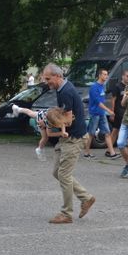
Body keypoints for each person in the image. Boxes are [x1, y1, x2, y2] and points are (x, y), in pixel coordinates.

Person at [43, 63, 95, 224]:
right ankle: (86, 198)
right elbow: (65, 117)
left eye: (48, 78)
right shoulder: (63, 89)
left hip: (74, 139)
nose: (46, 81)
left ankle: (66, 214)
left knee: (64, 175)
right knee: (57, 173)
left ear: (57, 76)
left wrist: (48, 121)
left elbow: (67, 120)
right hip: (68, 137)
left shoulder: (65, 92)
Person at [83, 69, 120, 159]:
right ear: (100, 75)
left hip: (101, 113)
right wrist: (109, 111)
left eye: (107, 74)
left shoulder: (102, 86)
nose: (106, 76)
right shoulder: (94, 87)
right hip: (94, 114)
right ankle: (86, 153)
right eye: (104, 74)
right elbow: (98, 103)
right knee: (91, 133)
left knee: (107, 133)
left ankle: (112, 153)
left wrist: (106, 111)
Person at [109, 70, 128, 155]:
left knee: (115, 130)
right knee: (124, 130)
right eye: (127, 76)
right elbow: (113, 99)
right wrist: (112, 111)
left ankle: (109, 150)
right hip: (119, 111)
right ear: (122, 76)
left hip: (126, 111)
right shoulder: (117, 86)